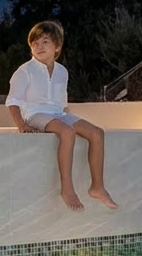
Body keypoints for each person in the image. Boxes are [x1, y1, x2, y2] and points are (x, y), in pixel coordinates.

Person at [6, 20, 118, 212]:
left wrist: (74, 121)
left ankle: (97, 187)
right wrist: (21, 125)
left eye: (45, 42)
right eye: (35, 43)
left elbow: (62, 105)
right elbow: (13, 101)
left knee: (97, 133)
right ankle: (67, 188)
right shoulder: (25, 71)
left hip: (57, 114)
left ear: (57, 46)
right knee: (67, 132)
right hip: (34, 114)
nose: (39, 46)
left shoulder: (62, 72)